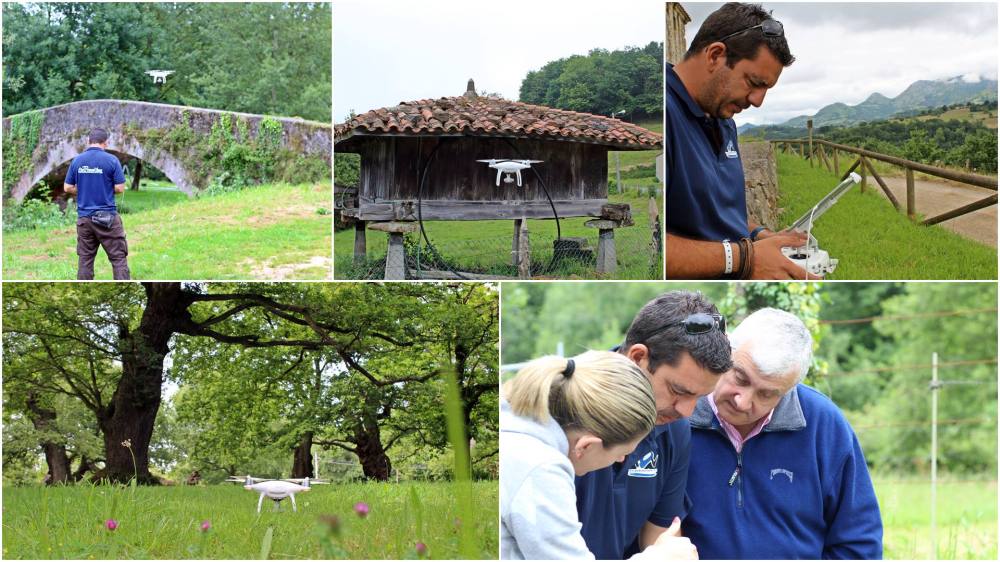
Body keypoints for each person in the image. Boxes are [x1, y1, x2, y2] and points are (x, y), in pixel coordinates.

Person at [684, 308, 883, 559]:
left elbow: (858, 541)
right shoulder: (677, 411)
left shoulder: (824, 426)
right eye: (740, 377)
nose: (743, 402)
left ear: (788, 390)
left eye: (766, 394)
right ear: (727, 351)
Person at [575, 291, 732, 559]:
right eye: (677, 390)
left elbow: (660, 539)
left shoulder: (674, 428)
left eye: (698, 398)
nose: (687, 411)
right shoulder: (564, 413)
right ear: (638, 358)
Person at [500, 351, 699, 560]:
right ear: (585, 447)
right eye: (622, 453)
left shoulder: (518, 437)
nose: (622, 461)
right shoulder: (541, 471)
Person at [665, 2, 809, 279]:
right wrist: (746, 258)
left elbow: (720, 213)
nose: (757, 101)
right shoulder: (667, 115)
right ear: (715, 55)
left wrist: (761, 235)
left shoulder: (725, 119)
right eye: (754, 83)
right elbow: (657, 247)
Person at [64, 128, 130, 280]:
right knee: (118, 259)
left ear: (88, 141)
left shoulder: (77, 160)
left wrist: (85, 188)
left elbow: (67, 187)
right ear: (105, 142)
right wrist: (104, 187)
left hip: (85, 219)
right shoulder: (112, 160)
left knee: (85, 261)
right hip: (108, 219)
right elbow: (120, 188)